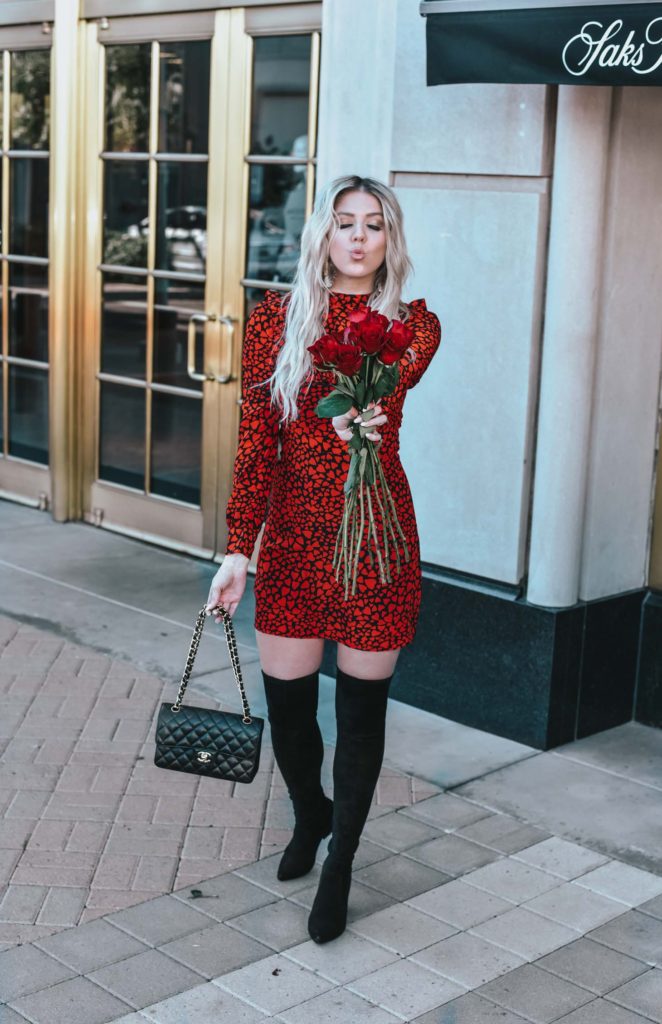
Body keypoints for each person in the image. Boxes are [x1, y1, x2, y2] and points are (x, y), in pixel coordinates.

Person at [205, 174, 441, 944]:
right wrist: (240, 550)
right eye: (346, 222)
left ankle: (340, 865)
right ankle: (312, 813)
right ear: (324, 234)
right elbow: (255, 443)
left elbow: (381, 387)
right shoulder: (276, 319)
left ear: (389, 240)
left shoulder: (412, 325)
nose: (360, 237)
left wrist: (359, 419)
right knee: (291, 711)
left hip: (375, 538)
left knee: (362, 714)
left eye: (375, 224)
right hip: (299, 537)